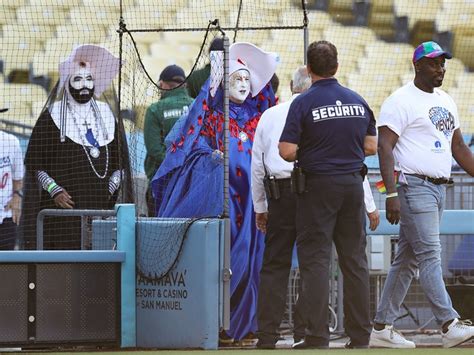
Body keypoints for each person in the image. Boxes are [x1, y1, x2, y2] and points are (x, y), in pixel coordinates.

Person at [152, 42, 278, 345]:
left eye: (247, 79)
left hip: (255, 203)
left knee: (253, 260)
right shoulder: (211, 118)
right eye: (237, 79)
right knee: (226, 261)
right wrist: (212, 157)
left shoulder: (258, 116)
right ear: (223, 83)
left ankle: (245, 324)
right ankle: (217, 322)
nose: (244, 85)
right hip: (224, 203)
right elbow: (190, 152)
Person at [254, 65, 380, 348]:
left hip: (283, 192)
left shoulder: (271, 115)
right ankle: (315, 330)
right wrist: (369, 204)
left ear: (291, 85)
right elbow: (353, 161)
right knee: (330, 261)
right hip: (324, 185)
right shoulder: (345, 105)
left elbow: (258, 164)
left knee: (279, 264)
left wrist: (260, 205)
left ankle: (269, 335)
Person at [370, 41, 474, 349]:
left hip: (439, 188)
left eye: (442, 63)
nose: (440, 68)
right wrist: (390, 194)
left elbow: (459, 148)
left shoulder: (446, 100)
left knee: (407, 260)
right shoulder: (400, 100)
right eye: (433, 63)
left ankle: (381, 327)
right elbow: (384, 146)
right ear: (417, 66)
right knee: (430, 254)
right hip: (415, 186)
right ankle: (449, 323)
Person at [23, 44, 130, 250]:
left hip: (100, 215)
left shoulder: (107, 114)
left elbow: (121, 163)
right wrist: (54, 190)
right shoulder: (51, 116)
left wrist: (110, 187)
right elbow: (35, 164)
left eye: (89, 79)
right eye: (78, 79)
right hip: (62, 218)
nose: (85, 85)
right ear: (68, 82)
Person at [144, 64, 193, 216]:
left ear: (162, 84)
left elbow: (154, 149)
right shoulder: (197, 105)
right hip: (190, 179)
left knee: (158, 229)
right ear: (184, 85)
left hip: (161, 180)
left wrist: (172, 164)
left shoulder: (155, 109)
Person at [0, 108, 24, 250]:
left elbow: (18, 176)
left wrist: (16, 197)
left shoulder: (11, 142)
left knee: (6, 264)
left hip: (6, 215)